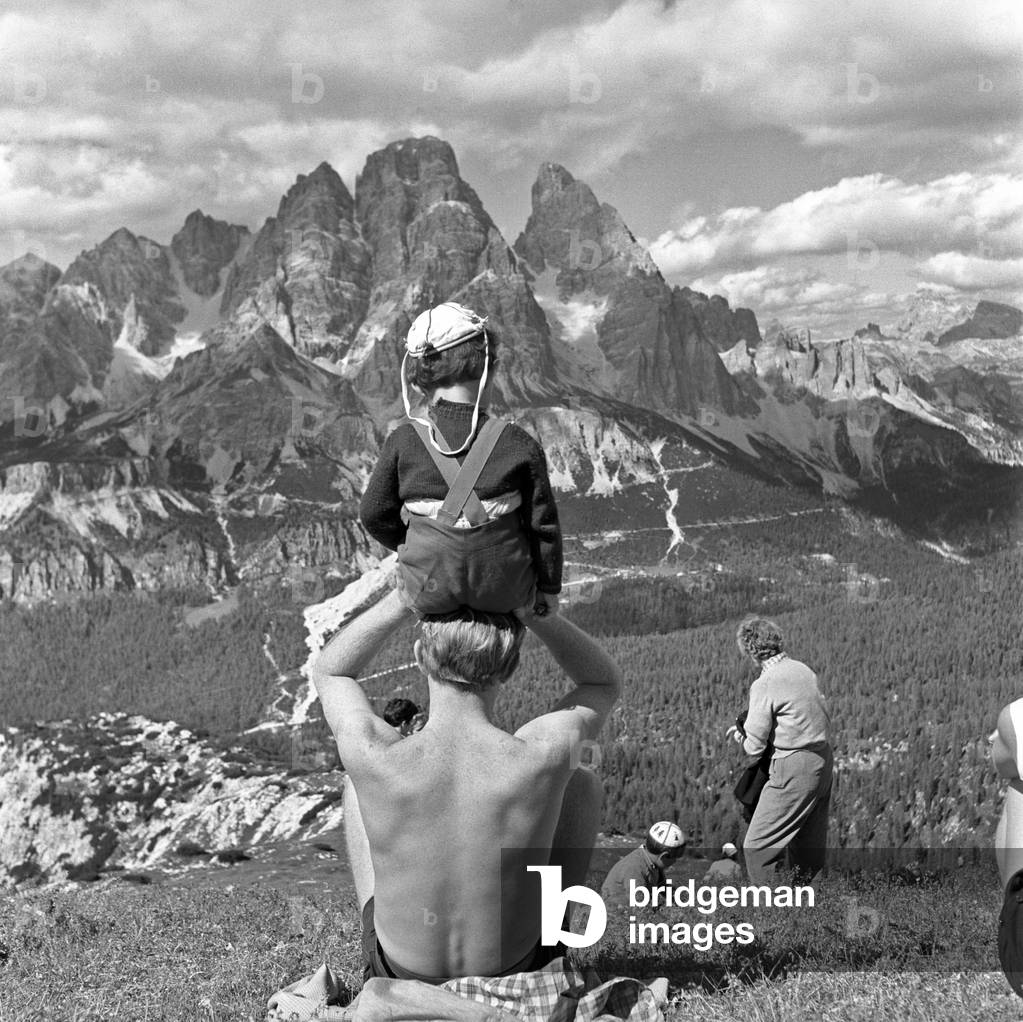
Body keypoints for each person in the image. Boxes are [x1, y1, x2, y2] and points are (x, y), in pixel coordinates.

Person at [310, 591, 621, 984]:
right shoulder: (543, 754)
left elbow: (330, 672)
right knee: (580, 782)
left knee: (358, 786)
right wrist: (536, 613)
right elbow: (602, 681)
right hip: (517, 968)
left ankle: (387, 946)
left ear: (422, 656)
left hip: (400, 973)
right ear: (510, 668)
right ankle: (559, 939)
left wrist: (403, 599)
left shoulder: (374, 752)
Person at [359, 302, 562, 616]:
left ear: (414, 384)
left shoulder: (403, 440)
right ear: (489, 371)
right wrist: (548, 589)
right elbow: (543, 528)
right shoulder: (518, 443)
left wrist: (414, 542)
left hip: (425, 589)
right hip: (506, 590)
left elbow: (373, 514)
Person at [726, 616, 832, 884]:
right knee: (808, 852)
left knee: (757, 847)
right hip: (822, 761)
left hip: (792, 767)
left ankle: (773, 916)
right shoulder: (802, 670)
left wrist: (741, 735)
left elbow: (754, 746)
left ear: (749, 649)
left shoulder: (766, 683)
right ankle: (811, 911)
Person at [990, 698, 1023, 998]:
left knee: (1017, 782)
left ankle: (1013, 912)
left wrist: (1003, 738)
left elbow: (999, 761)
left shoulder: (1018, 714)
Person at [600, 822, 686, 911]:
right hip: (614, 914)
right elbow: (641, 907)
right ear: (663, 856)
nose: (675, 861)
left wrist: (682, 899)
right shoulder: (635, 869)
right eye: (675, 857)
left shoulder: (654, 863)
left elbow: (663, 887)